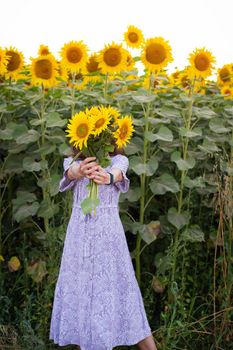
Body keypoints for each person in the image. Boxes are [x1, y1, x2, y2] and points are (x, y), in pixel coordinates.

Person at [49, 150, 157, 350]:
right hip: (79, 240)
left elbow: (117, 173)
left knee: (124, 291)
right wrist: (80, 170)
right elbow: (70, 173)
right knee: (82, 292)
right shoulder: (74, 161)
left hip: (108, 240)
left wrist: (107, 177)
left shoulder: (119, 160)